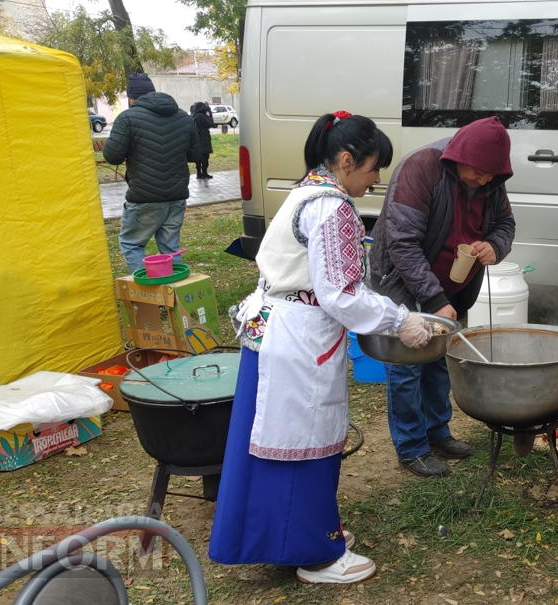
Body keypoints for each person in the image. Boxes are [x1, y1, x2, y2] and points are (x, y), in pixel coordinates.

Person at [208, 112, 433, 584]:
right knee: (303, 445)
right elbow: (341, 293)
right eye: (373, 169)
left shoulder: (305, 190)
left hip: (276, 331)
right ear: (347, 160)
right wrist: (401, 319)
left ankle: (299, 534)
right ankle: (315, 553)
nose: (376, 181)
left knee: (275, 445)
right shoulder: (332, 208)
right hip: (297, 340)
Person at [368, 116, 516, 478]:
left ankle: (438, 432)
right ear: (459, 156)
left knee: (439, 359)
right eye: (479, 173)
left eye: (491, 177)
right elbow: (402, 244)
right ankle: (411, 447)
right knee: (407, 365)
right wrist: (433, 300)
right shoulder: (421, 169)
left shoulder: (490, 178)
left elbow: (505, 225)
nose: (483, 181)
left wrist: (494, 246)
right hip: (401, 280)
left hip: (450, 286)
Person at [102, 73, 201, 273]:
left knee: (132, 244)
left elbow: (112, 157)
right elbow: (196, 154)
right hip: (176, 195)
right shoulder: (183, 117)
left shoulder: (127, 118)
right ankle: (174, 294)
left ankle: (149, 294)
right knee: (171, 248)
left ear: (131, 97)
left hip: (144, 196)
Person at [191, 102, 214, 180]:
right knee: (205, 156)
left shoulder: (195, 115)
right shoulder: (201, 116)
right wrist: (210, 114)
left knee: (199, 157)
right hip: (203, 138)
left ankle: (199, 173)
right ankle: (204, 173)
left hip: (198, 138)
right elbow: (210, 124)